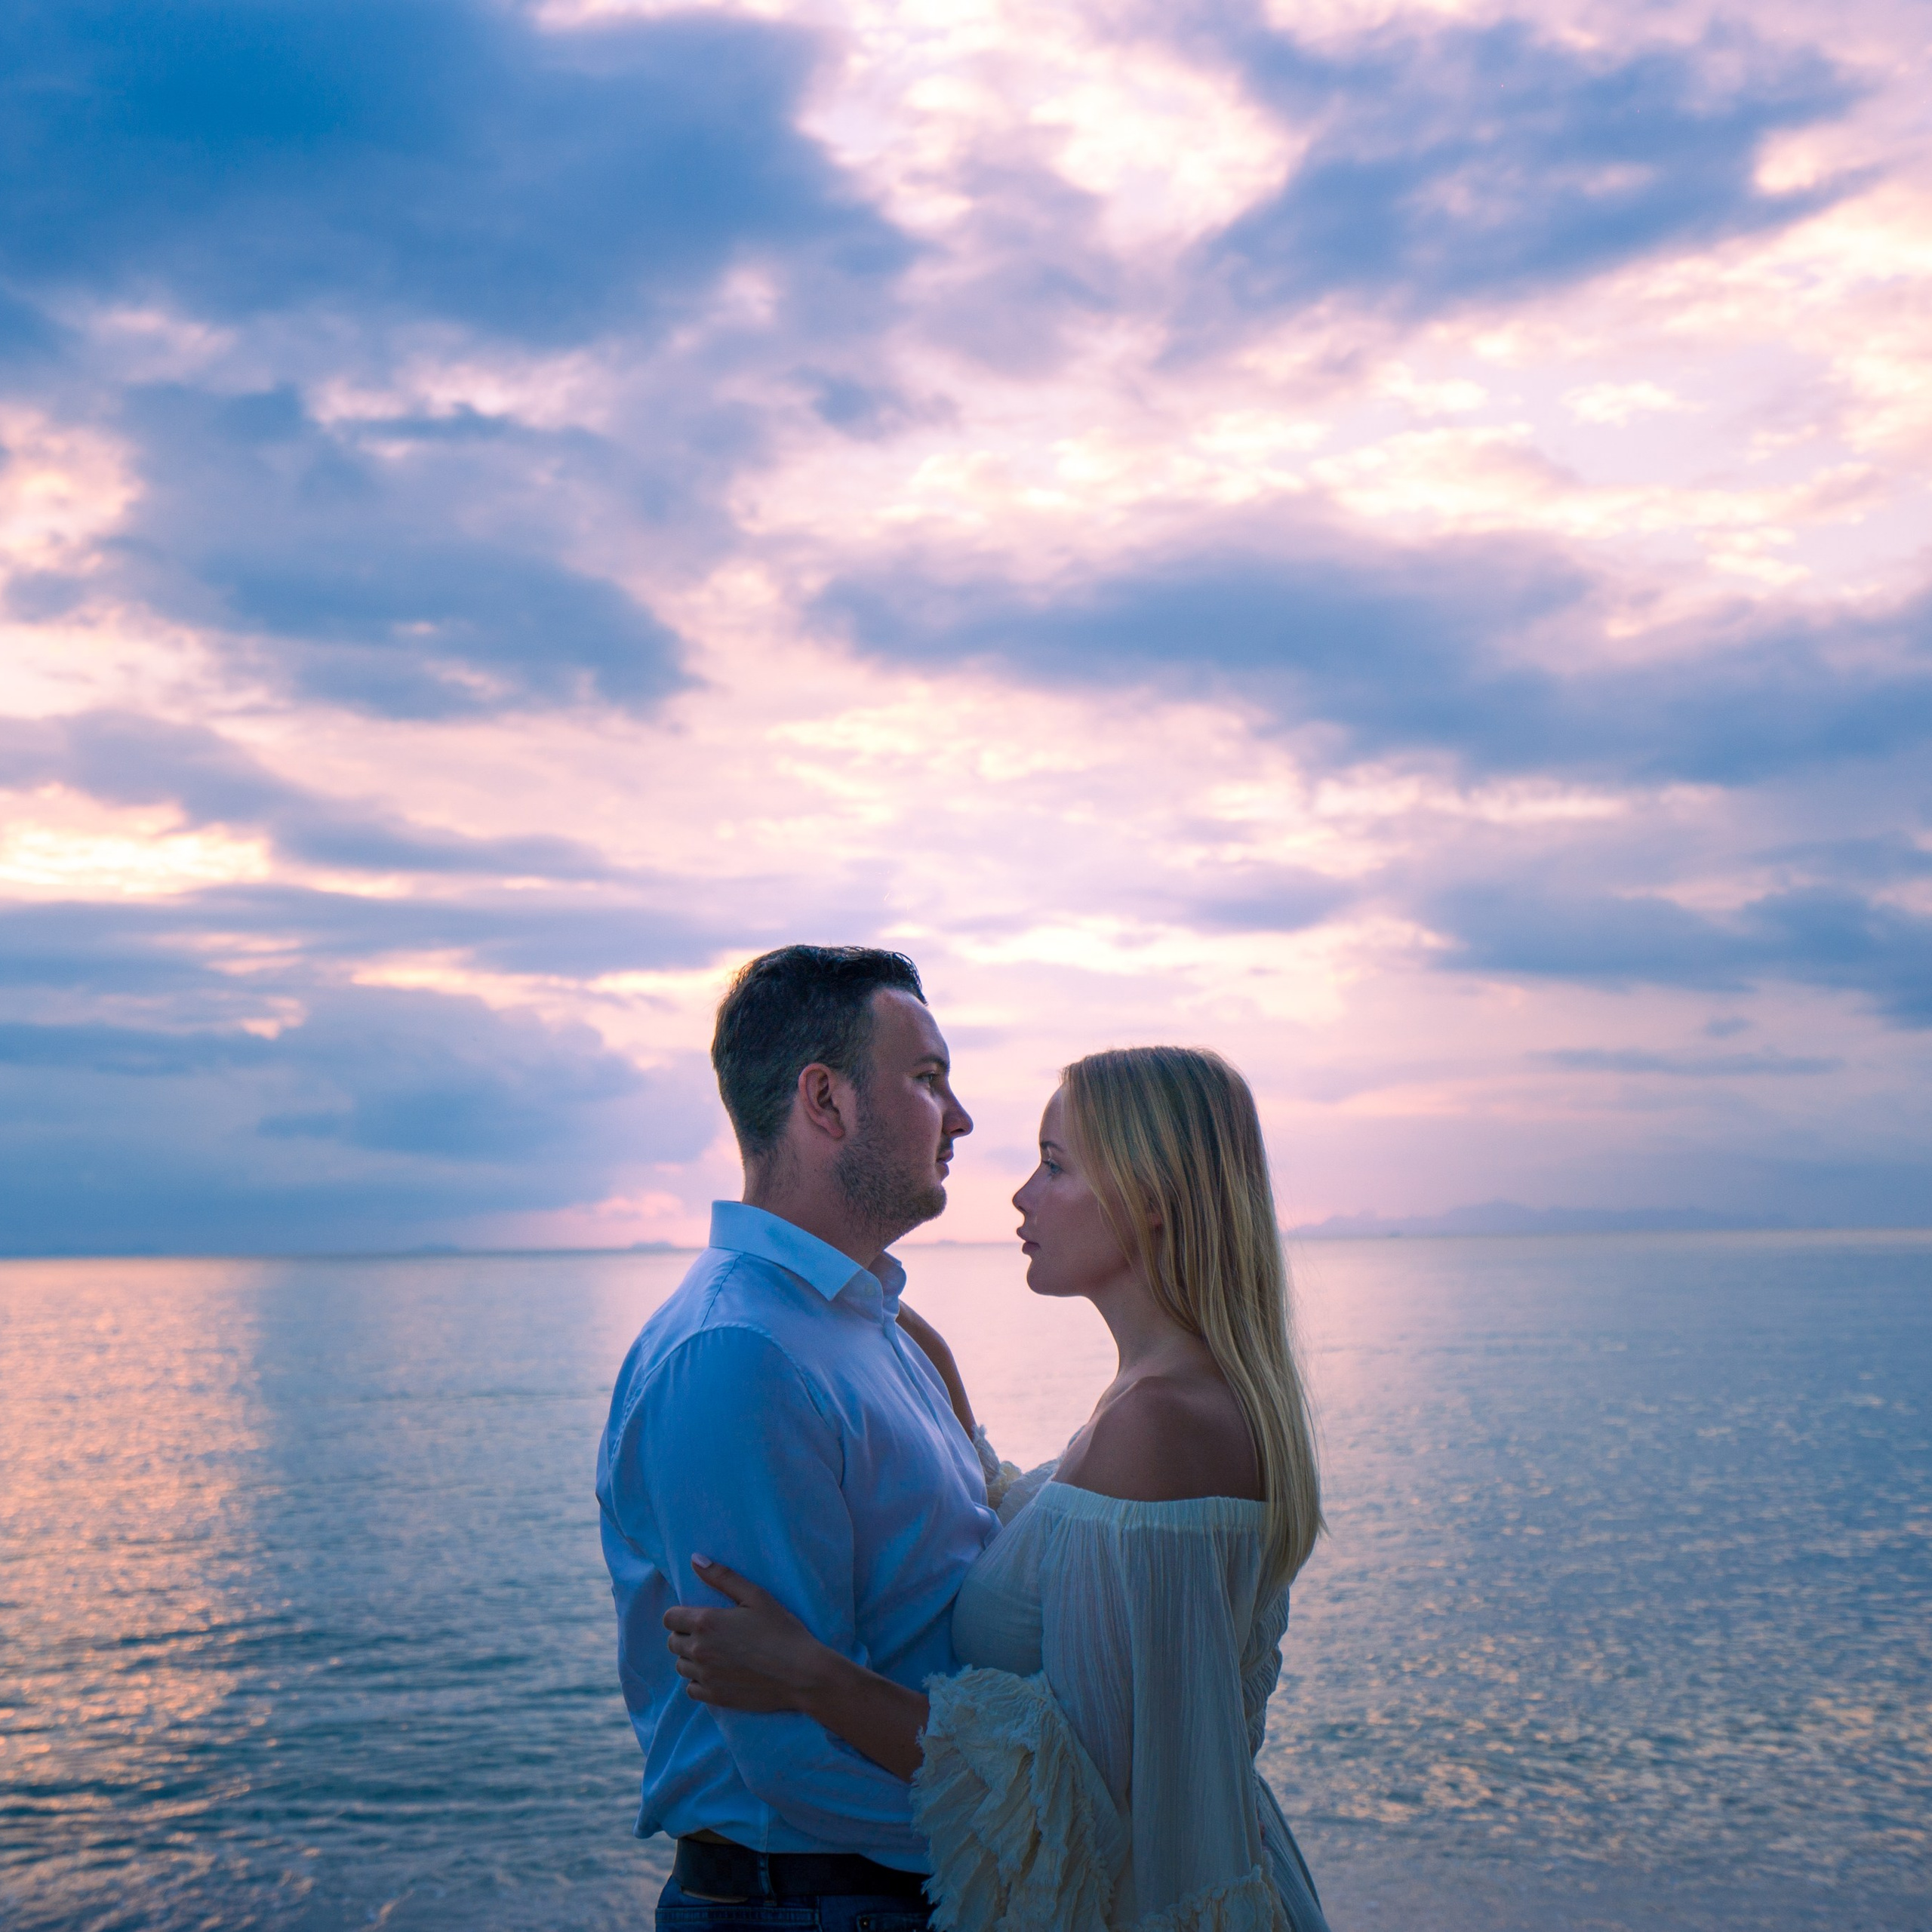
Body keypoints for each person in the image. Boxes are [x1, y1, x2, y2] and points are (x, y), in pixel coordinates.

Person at [665, 1045, 1332, 1932]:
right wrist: (922, 1365)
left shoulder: (1158, 1423)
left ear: (1151, 1196)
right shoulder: (1177, 1401)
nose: (1021, 1195)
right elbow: (1057, 1544)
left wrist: (811, 1676)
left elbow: (1073, 1788)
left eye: (1054, 1165)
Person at [595, 944, 1003, 1931]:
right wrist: (1040, 1822)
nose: (960, 1118)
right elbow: (795, 1760)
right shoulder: (741, 1353)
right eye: (928, 1079)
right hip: (815, 1905)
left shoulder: (865, 1326)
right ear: (827, 1101)